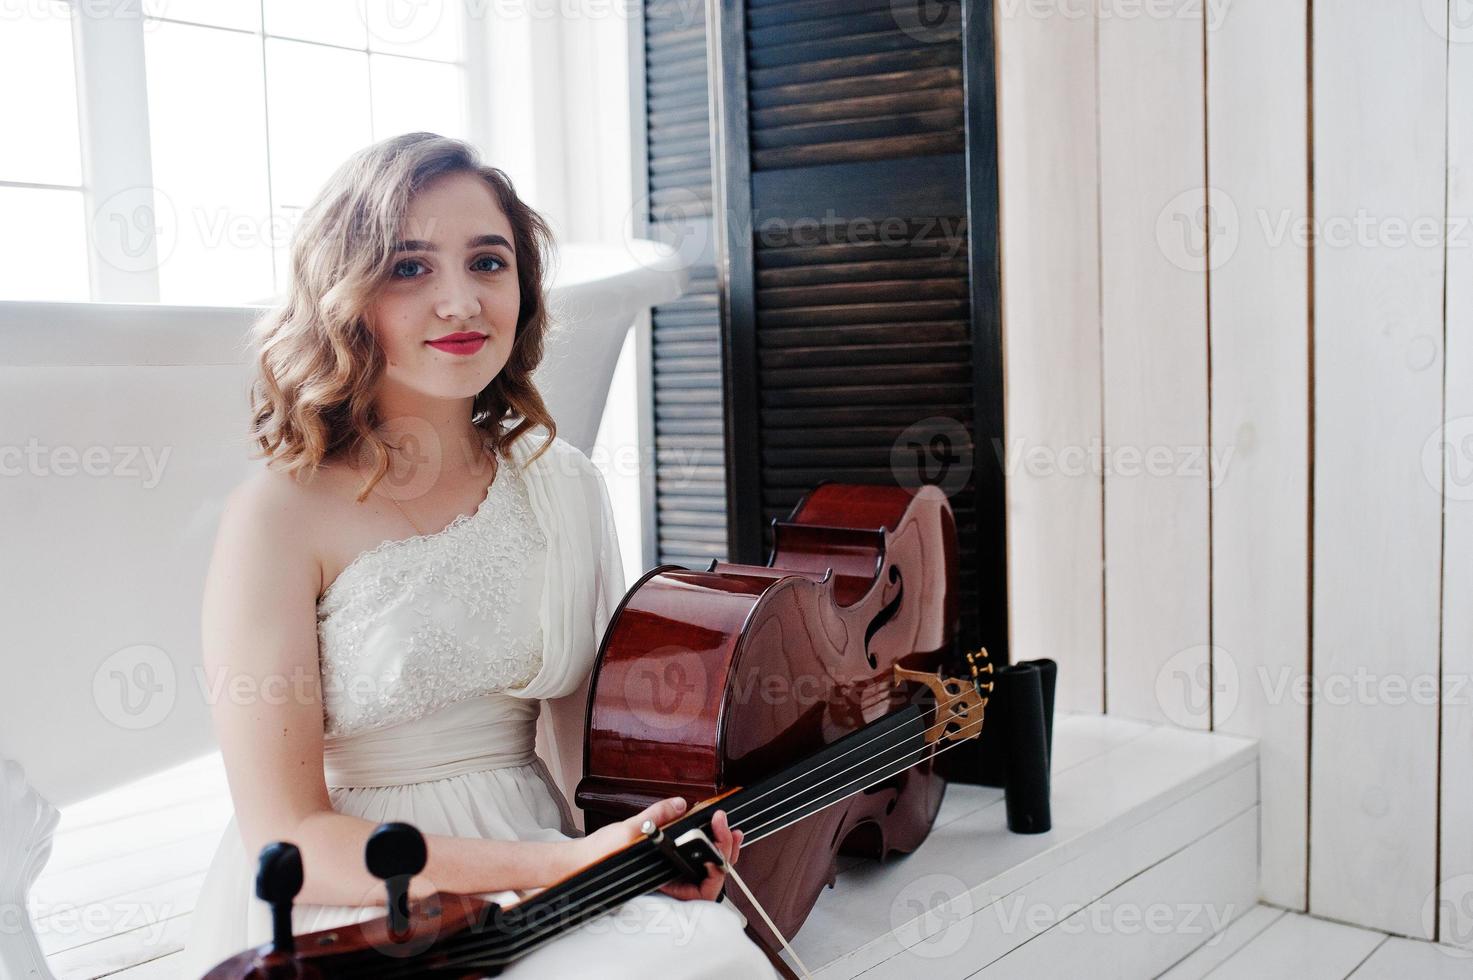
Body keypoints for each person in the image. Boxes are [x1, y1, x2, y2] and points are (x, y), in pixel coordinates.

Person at [178, 132, 777, 978]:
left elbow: (586, 770)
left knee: (705, 954)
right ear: (344, 297)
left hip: (545, 845)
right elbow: (290, 837)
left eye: (488, 262)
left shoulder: (562, 483)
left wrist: (632, 856)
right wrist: (552, 868)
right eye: (410, 267)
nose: (460, 302)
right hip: (364, 888)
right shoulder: (277, 514)